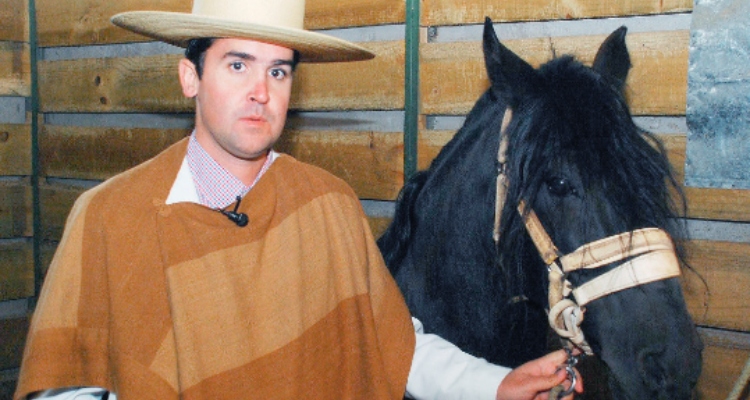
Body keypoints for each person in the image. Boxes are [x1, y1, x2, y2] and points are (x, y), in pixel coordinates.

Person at [14, 0, 582, 399]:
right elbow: (71, 385)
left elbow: (390, 344)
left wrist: (495, 385)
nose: (261, 92)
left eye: (279, 71)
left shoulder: (327, 204)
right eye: (238, 65)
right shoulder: (111, 217)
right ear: (191, 76)